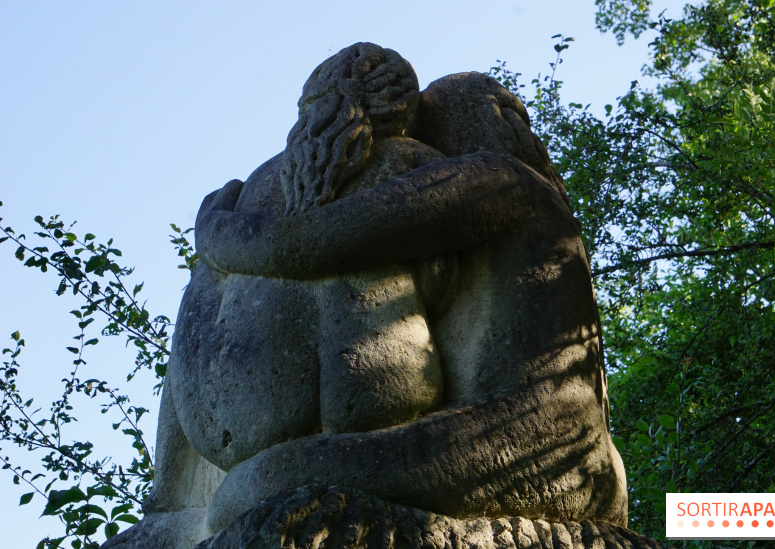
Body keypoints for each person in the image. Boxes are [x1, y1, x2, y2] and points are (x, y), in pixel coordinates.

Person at [103, 44, 627, 549]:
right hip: (484, 436)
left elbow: (307, 243)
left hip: (524, 445)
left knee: (251, 486)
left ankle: (192, 504)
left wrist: (219, 233)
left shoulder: (243, 203)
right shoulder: (474, 178)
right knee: (255, 486)